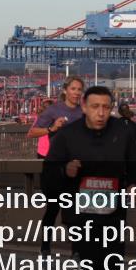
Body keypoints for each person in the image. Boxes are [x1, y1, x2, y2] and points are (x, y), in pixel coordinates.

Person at [42, 86, 136, 270]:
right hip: (79, 212)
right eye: (95, 107)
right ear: (84, 107)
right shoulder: (67, 136)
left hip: (113, 211)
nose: (101, 113)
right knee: (90, 266)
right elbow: (47, 173)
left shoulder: (123, 132)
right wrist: (64, 170)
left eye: (106, 107)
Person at [29, 77, 85, 254]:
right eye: (74, 89)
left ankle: (77, 249)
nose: (77, 93)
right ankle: (45, 247)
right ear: (65, 91)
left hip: (76, 166)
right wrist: (52, 128)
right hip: (54, 166)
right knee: (53, 209)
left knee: (75, 210)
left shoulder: (83, 111)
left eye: (79, 89)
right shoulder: (53, 110)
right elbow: (31, 133)